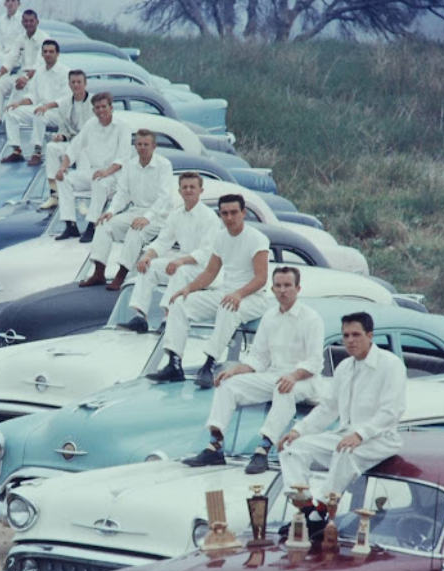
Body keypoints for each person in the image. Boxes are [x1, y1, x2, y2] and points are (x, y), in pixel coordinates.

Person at [185, 266, 324, 472]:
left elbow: (315, 362)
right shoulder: (270, 317)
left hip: (305, 381)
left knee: (284, 388)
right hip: (274, 375)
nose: (282, 290)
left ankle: (263, 450)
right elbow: (259, 357)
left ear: (298, 288)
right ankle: (214, 446)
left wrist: (293, 376)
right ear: (273, 288)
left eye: (287, 285)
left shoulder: (311, 318)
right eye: (278, 285)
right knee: (228, 384)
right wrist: (235, 370)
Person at [278, 311, 407, 523]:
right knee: (293, 449)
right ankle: (306, 509)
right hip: (345, 437)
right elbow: (328, 408)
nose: (350, 340)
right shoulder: (344, 367)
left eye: (356, 334)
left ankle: (322, 511)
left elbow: (391, 411)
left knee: (344, 453)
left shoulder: (391, 365)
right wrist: (297, 430)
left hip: (381, 440)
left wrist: (359, 435)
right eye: (346, 335)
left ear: (370, 335)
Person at [147, 193, 271, 388]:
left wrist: (238, 294)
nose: (229, 218)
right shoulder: (221, 237)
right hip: (227, 292)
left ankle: (209, 364)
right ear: (220, 215)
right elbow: (211, 272)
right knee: (179, 303)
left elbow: (261, 279)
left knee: (227, 307)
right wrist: (187, 288)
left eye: (234, 213)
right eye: (225, 213)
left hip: (253, 297)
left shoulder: (257, 239)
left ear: (244, 213)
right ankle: (174, 363)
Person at [118, 172, 220, 332]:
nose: (188, 190)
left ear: (201, 190)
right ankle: (140, 317)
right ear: (179, 191)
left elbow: (206, 251)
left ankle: (168, 318)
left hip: (204, 268)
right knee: (149, 266)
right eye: (184, 187)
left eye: (192, 187)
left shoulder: (210, 217)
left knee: (180, 270)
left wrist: (181, 261)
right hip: (182, 263)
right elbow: (163, 241)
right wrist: (147, 255)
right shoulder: (176, 215)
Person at [78, 129, 173, 290]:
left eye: (146, 144)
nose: (142, 148)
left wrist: (148, 218)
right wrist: (111, 211)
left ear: (154, 146)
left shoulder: (164, 165)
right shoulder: (130, 165)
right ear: (135, 146)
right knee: (104, 224)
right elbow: (122, 193)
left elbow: (164, 197)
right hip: (135, 211)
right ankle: (99, 272)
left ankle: (121, 275)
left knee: (136, 230)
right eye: (139, 144)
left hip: (160, 216)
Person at [54, 92, 129, 243]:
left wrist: (106, 171)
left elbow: (123, 157)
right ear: (93, 110)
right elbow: (75, 147)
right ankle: (71, 225)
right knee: (64, 180)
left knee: (99, 182)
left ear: (111, 107)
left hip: (116, 174)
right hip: (95, 171)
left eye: (104, 106)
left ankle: (92, 226)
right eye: (97, 107)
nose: (101, 110)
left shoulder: (122, 127)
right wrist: (63, 167)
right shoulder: (90, 125)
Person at [1, 40, 70, 164]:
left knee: (39, 113)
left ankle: (37, 152)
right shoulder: (39, 71)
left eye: (51, 52)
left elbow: (66, 99)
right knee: (11, 111)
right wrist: (19, 103)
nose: (48, 54)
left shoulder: (65, 72)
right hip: (41, 109)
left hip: (58, 114)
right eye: (45, 52)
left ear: (57, 54)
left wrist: (47, 106)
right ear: (42, 54)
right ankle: (16, 151)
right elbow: (33, 95)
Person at [34, 69, 93, 209]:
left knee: (83, 154)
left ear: (85, 83)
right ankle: (55, 195)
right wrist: (61, 136)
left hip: (89, 145)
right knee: (51, 148)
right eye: (73, 82)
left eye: (79, 82)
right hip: (72, 143)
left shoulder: (93, 102)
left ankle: (82, 201)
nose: (76, 85)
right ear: (69, 84)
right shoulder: (65, 103)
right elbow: (64, 128)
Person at [0, 10, 49, 132]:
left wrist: (26, 78)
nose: (28, 24)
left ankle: (7, 122)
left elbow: (40, 63)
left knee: (19, 87)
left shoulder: (44, 39)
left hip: (38, 77)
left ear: (37, 22)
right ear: (22, 22)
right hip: (22, 75)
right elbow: (11, 58)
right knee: (0, 84)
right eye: (26, 21)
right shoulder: (20, 39)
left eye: (31, 21)